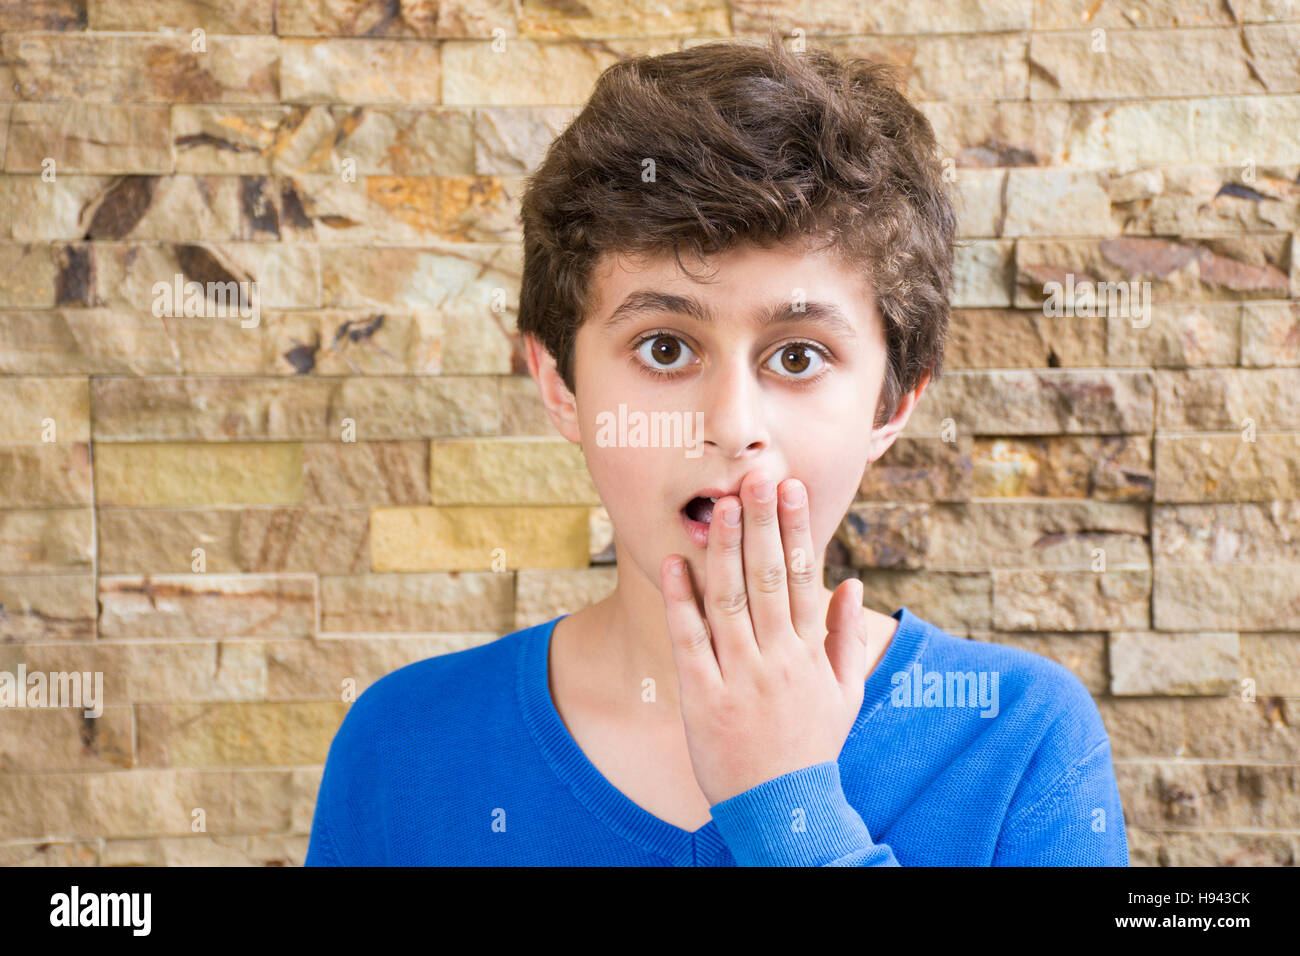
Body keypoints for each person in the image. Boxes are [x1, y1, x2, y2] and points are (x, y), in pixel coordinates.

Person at [305, 34, 1129, 866]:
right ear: (560, 383)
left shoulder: (1023, 740)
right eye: (665, 349)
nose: (732, 425)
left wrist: (787, 802)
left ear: (892, 406)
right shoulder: (401, 747)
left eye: (798, 357)